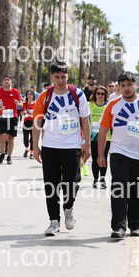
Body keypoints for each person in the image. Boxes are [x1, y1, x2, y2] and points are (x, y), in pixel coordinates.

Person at [32, 62, 90, 236]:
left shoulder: (77, 94)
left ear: (67, 76)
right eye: (56, 77)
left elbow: (85, 119)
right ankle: (54, 221)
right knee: (51, 185)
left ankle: (68, 208)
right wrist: (35, 147)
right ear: (51, 77)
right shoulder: (45, 96)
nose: (60, 80)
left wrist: (86, 143)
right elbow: (37, 122)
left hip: (72, 146)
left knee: (72, 183)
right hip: (50, 146)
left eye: (63, 76)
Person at [98, 72, 139, 238]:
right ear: (119, 87)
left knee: (138, 191)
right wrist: (101, 154)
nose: (126, 88)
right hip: (119, 152)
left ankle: (135, 225)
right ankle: (118, 227)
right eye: (122, 85)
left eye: (129, 84)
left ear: (135, 84)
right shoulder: (113, 104)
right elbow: (103, 130)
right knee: (119, 189)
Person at [0, 75, 23, 165]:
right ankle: (2, 154)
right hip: (3, 116)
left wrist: (18, 104)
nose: (6, 81)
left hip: (13, 117)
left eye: (8, 80)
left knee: (11, 137)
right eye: (5, 80)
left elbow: (21, 104)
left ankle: (9, 157)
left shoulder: (15, 92)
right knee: (2, 136)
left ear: (11, 82)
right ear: (2, 82)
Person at [88, 85, 110, 189]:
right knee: (95, 158)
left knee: (104, 157)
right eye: (98, 93)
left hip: (106, 136)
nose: (100, 95)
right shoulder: (90, 105)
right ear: (95, 94)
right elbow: (86, 120)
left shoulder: (108, 106)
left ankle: (102, 179)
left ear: (105, 95)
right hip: (93, 136)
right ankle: (95, 179)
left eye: (102, 94)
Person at [22, 90, 36, 159]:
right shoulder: (24, 104)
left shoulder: (36, 104)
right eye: (28, 94)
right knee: (25, 138)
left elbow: (38, 113)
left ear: (33, 96)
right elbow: (21, 112)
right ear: (26, 96)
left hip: (34, 122)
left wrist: (32, 115)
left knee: (32, 138)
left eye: (31, 94)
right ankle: (26, 149)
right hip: (26, 122)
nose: (30, 96)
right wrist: (24, 113)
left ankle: (31, 153)